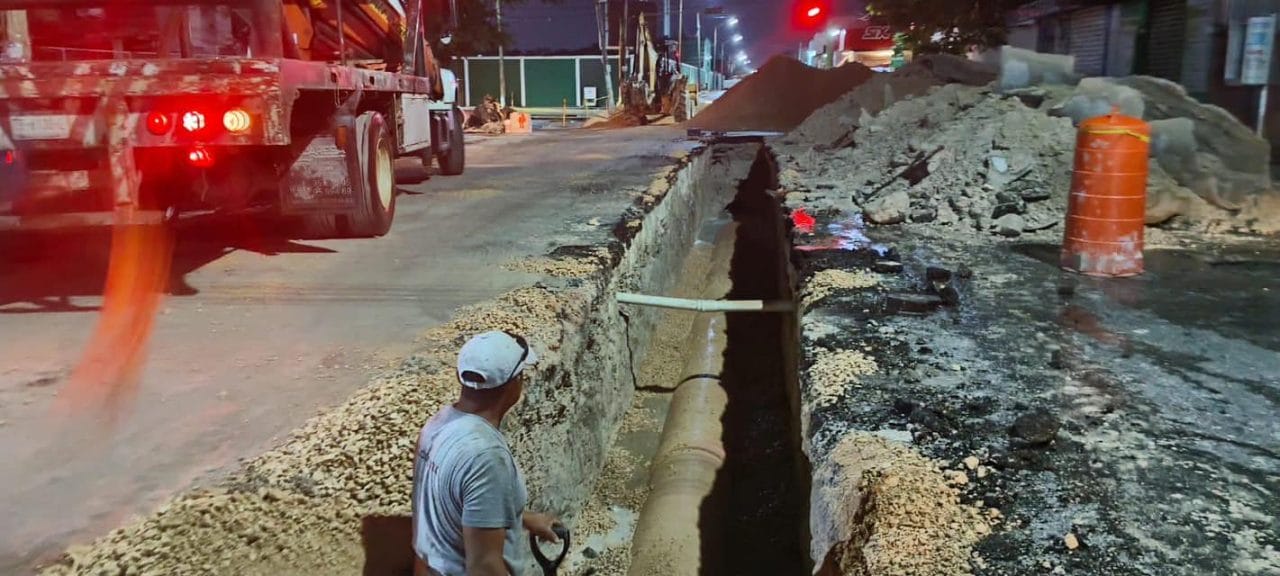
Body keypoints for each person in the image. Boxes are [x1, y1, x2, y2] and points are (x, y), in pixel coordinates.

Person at [412, 331, 560, 576]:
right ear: (515, 384)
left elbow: (460, 503)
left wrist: (521, 517)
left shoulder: (437, 425)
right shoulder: (486, 456)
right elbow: (484, 567)